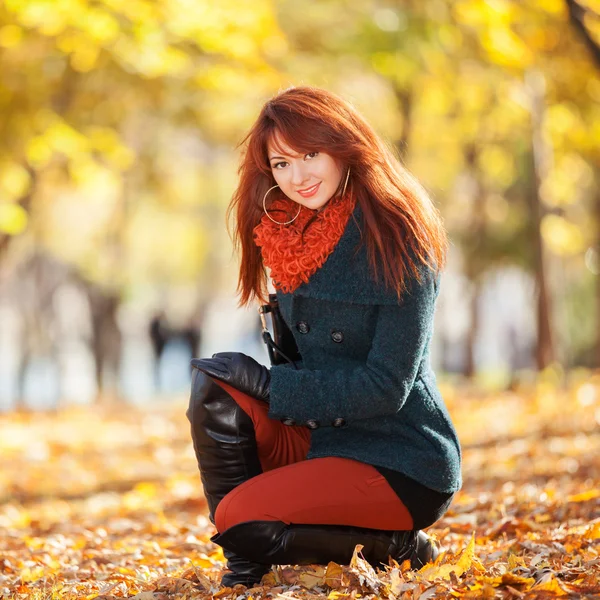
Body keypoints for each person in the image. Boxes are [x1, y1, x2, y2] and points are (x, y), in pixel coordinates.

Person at [187, 86, 462, 588]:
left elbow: (387, 386)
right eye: (282, 163)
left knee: (238, 517)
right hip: (322, 438)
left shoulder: (399, 239)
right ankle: (248, 552)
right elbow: (297, 359)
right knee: (215, 387)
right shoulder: (287, 238)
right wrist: (267, 380)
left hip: (399, 456)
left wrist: (275, 390)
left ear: (343, 145)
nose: (298, 177)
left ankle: (399, 544)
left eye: (310, 154)